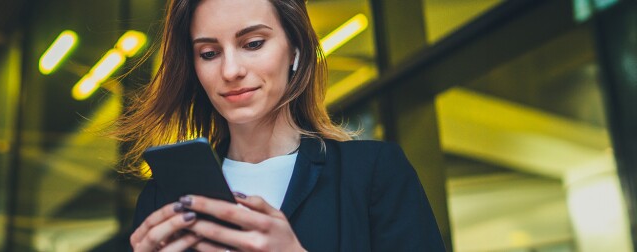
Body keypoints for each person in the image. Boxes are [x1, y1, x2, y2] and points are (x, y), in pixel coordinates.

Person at [114, 0, 445, 251]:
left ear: (296, 49)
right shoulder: (162, 200)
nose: (230, 70)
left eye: (253, 43)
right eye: (210, 53)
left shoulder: (373, 173)